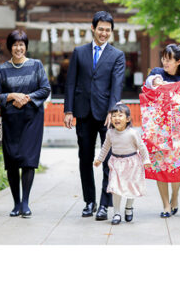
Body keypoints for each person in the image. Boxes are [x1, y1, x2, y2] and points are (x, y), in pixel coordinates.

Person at [64, 11, 126, 222]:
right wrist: (68, 110)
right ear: (93, 28)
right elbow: (71, 82)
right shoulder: (79, 52)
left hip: (107, 115)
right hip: (83, 112)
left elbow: (117, 85)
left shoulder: (117, 55)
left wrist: (112, 111)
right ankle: (89, 201)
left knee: (108, 160)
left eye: (108, 30)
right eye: (101, 29)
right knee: (85, 158)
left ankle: (104, 204)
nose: (104, 33)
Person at [0, 30, 51, 217]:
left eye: (21, 44)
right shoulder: (2, 69)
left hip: (32, 120)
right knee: (12, 161)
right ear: (10, 47)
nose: (18, 48)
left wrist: (26, 98)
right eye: (15, 45)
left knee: (28, 160)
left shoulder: (36, 65)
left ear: (26, 46)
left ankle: (25, 202)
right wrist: (11, 96)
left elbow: (45, 89)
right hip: (10, 121)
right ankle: (16, 203)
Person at [141, 43, 180, 217]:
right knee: (160, 168)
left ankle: (175, 196)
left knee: (176, 168)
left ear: (178, 61)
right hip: (158, 133)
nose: (165, 62)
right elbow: (148, 86)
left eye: (169, 60)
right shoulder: (157, 73)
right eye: (163, 58)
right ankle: (165, 205)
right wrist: (156, 82)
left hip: (179, 135)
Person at [95, 103, 149, 225]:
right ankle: (116, 213)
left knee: (131, 186)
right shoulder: (110, 133)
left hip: (132, 163)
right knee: (115, 188)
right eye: (114, 116)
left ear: (128, 119)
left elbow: (142, 147)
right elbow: (105, 147)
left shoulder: (132, 133)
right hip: (116, 163)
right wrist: (100, 159)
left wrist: (146, 160)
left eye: (120, 115)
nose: (116, 118)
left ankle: (129, 207)